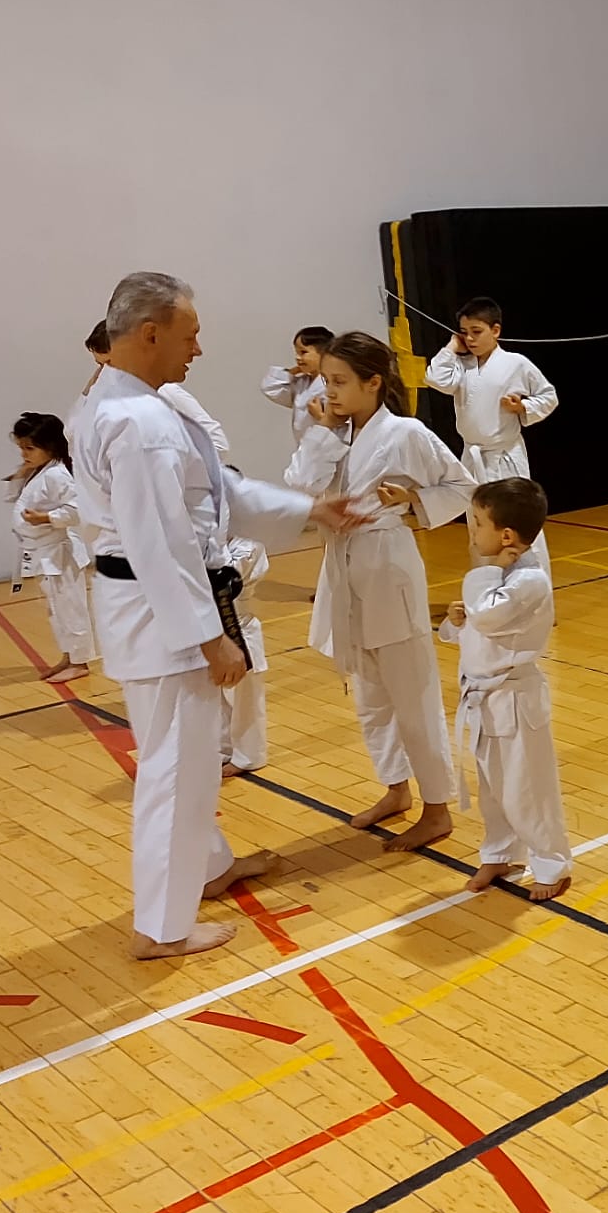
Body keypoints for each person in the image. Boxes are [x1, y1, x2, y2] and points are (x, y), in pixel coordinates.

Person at [74, 272, 365, 959]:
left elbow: (214, 494)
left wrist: (308, 508)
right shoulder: (139, 424)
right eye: (191, 335)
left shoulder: (124, 404)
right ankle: (162, 928)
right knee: (177, 774)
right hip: (164, 619)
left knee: (188, 764)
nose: (198, 349)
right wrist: (209, 638)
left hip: (148, 611)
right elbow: (162, 544)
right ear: (150, 334)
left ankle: (207, 867)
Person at [289, 332, 475, 853]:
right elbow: (300, 485)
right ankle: (396, 788)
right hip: (343, 567)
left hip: (387, 563)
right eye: (326, 381)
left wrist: (413, 499)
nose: (330, 391)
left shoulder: (406, 432)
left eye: (340, 381)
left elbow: (463, 487)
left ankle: (437, 808)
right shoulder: (333, 432)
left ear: (373, 382)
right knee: (370, 694)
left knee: (412, 696)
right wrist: (323, 433)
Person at [439, 478, 573, 900]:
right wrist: (456, 624)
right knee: (494, 789)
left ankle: (552, 862)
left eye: (479, 523)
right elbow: (478, 631)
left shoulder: (529, 580)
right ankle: (499, 852)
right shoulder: (498, 580)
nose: (472, 530)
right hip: (484, 697)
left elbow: (490, 617)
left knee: (526, 788)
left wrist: (481, 584)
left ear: (507, 536)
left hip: (515, 700)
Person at [423, 297, 558, 575]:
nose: (470, 339)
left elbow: (549, 396)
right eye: (464, 332)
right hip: (473, 457)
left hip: (505, 456)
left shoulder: (516, 363)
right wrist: (452, 346)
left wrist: (523, 407)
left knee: (518, 522)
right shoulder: (462, 365)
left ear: (495, 330)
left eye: (477, 331)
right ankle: (487, 587)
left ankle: (532, 587)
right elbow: (435, 378)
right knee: (480, 525)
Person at [6, 411, 93, 684]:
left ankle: (80, 662)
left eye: (29, 448)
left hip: (60, 553)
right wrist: (22, 474)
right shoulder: (39, 471)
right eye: (21, 447)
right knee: (56, 609)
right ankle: (69, 656)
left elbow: (78, 510)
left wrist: (45, 518)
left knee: (70, 607)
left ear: (51, 446)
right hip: (44, 554)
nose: (24, 454)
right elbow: (14, 499)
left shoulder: (57, 475)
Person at [72, 319, 230, 456]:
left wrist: (170, 465)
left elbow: (218, 444)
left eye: (109, 364)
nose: (105, 372)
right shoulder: (109, 397)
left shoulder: (165, 392)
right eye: (100, 366)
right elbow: (73, 435)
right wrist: (89, 388)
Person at [219, 523, 269, 779]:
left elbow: (226, 578)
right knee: (218, 695)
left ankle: (250, 755)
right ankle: (223, 748)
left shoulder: (248, 544)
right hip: (213, 630)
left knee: (244, 698)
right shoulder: (212, 540)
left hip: (239, 627)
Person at [261, 325, 333, 469]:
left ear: (324, 353)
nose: (297, 358)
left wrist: (320, 416)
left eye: (303, 352)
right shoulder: (302, 383)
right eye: (296, 352)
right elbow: (270, 388)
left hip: (327, 450)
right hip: (305, 451)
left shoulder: (331, 385)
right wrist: (295, 370)